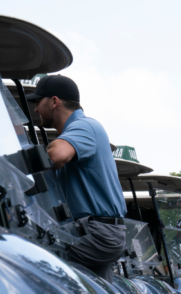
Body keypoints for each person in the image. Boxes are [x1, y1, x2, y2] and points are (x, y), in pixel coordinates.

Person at [27, 75, 125, 281]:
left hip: (96, 234)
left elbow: (56, 155)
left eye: (38, 102)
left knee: (33, 261)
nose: (35, 109)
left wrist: (19, 161)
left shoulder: (84, 126)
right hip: (96, 231)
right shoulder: (79, 130)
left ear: (54, 101)